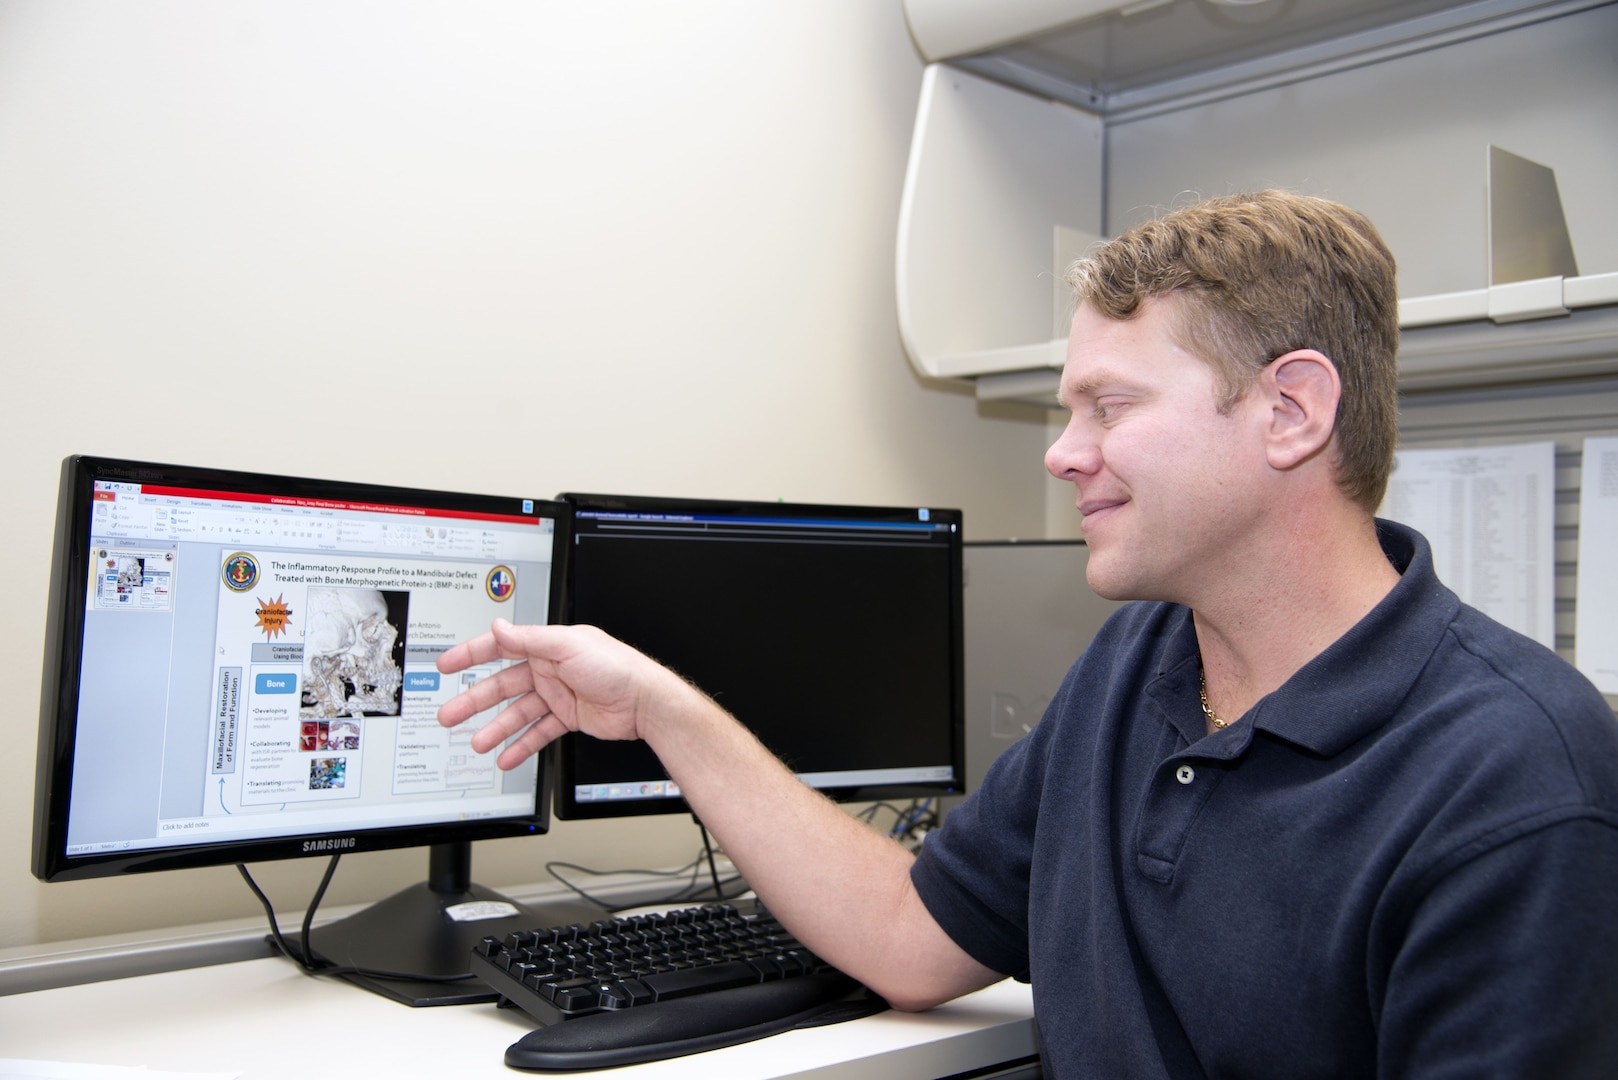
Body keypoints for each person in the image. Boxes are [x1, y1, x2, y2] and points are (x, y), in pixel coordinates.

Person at [437, 191, 1618, 1077]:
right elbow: (910, 938)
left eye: (1109, 406)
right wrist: (661, 712)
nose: (1062, 453)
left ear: (1290, 411)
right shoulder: (1139, 660)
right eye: (1067, 410)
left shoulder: (1515, 782)